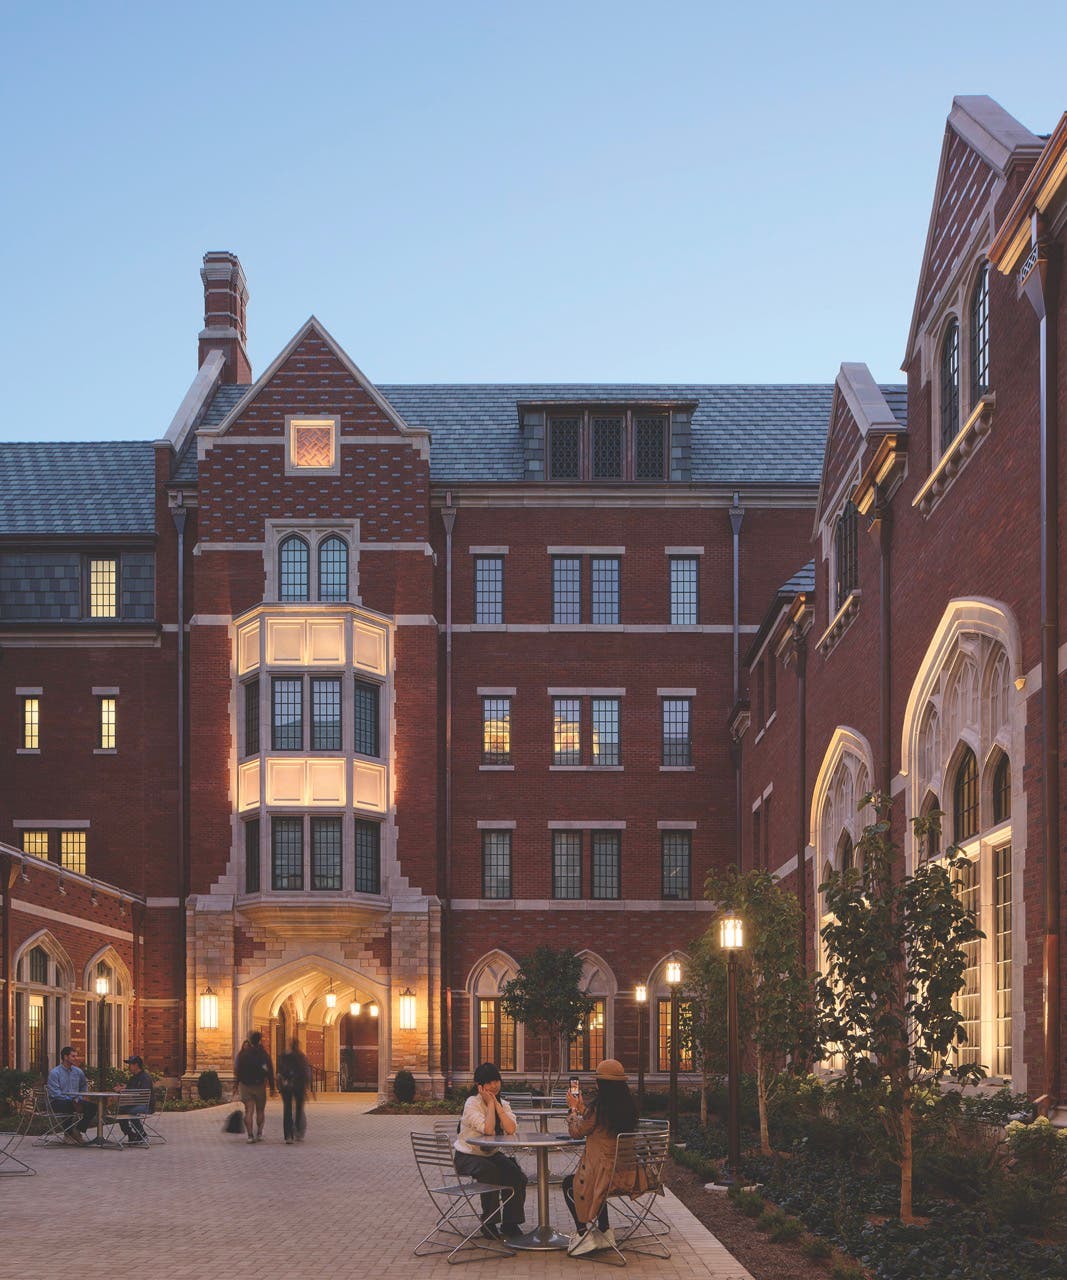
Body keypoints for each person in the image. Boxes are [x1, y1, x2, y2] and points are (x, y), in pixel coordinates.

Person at [562, 1059, 642, 1257]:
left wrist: (573, 1110)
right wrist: (583, 1110)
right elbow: (595, 1123)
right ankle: (605, 1231)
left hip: (606, 1177)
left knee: (569, 1184)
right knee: (599, 1182)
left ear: (603, 1085)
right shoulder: (628, 1107)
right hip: (627, 1175)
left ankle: (583, 1235)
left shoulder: (600, 1108)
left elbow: (577, 1131)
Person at [452, 1062, 527, 1239]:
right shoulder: (472, 1104)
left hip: (490, 1154)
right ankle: (489, 1222)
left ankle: (511, 1223)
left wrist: (497, 1105)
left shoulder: (504, 1104)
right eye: (489, 1082)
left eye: (496, 1081)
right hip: (467, 1156)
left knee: (516, 1174)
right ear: (480, 1086)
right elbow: (488, 1130)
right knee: (490, 1172)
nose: (494, 1085)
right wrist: (491, 1105)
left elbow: (510, 1129)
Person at [45, 1046, 95, 1144]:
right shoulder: (55, 1073)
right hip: (57, 1102)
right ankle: (68, 1134)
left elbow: (83, 1086)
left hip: (75, 1101)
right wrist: (71, 1099)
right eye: (73, 1056)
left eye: (76, 1056)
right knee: (70, 1105)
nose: (76, 1058)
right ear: (65, 1057)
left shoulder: (78, 1072)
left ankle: (77, 1131)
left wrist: (79, 1098)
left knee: (93, 1107)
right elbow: (55, 1093)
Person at [234, 1030, 276, 1142]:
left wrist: (236, 1085)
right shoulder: (263, 1054)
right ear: (259, 1040)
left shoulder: (243, 1054)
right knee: (260, 1110)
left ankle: (250, 1136)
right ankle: (259, 1133)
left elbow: (238, 1070)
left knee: (249, 1111)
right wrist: (272, 1087)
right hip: (259, 1085)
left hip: (245, 1085)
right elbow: (269, 1071)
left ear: (251, 1041)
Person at [276, 1037, 313, 1144]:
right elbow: (306, 1072)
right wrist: (307, 1085)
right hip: (299, 1086)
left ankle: (288, 1136)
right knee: (299, 1109)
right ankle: (298, 1131)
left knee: (287, 1110)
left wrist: (280, 1084)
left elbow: (279, 1072)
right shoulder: (302, 1057)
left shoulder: (283, 1056)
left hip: (286, 1086)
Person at [114, 1054, 153, 1146]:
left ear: (136, 1065)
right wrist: (123, 1088)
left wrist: (125, 1090)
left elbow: (143, 1093)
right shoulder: (133, 1077)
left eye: (130, 1064)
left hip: (146, 1106)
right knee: (121, 1110)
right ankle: (131, 1135)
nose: (129, 1067)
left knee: (130, 1112)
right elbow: (131, 1090)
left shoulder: (145, 1077)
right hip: (135, 1104)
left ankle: (142, 1134)